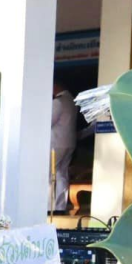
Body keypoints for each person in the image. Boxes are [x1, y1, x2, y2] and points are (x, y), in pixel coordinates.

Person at [51, 81, 78, 213]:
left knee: (50, 175)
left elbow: (48, 121)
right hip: (70, 142)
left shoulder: (58, 102)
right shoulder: (72, 100)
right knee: (62, 174)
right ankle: (60, 207)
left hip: (56, 143)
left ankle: (49, 207)